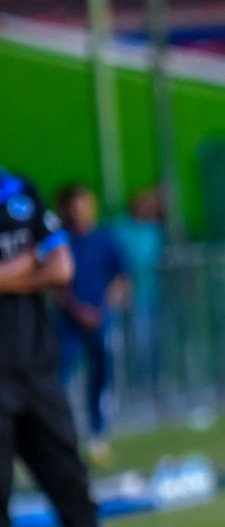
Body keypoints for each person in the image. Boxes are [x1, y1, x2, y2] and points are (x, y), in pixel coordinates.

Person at [0, 168, 165, 527]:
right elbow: (45, 265)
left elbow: (62, 267)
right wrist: (31, 267)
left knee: (74, 493)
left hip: (37, 375)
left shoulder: (19, 190)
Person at [52, 183, 127, 466]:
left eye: (83, 203)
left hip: (99, 319)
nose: (78, 210)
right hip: (68, 322)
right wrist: (75, 308)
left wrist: (104, 306)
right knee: (59, 377)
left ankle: (97, 435)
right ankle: (58, 439)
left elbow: (120, 274)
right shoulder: (59, 239)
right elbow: (54, 281)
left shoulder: (104, 238)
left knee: (100, 376)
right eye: (73, 205)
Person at [113, 187, 166, 396]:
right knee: (136, 342)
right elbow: (128, 260)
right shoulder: (122, 229)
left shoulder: (156, 229)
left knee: (152, 341)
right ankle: (136, 385)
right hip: (132, 297)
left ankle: (154, 381)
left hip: (154, 294)